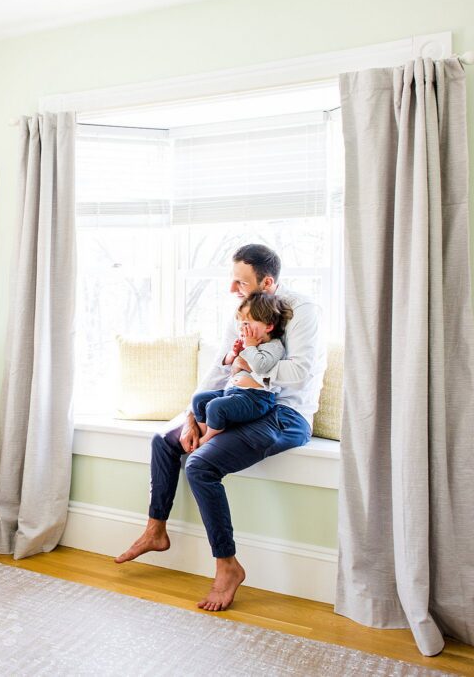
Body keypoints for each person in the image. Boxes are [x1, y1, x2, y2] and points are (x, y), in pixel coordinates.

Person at [115, 244, 325, 613]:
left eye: (240, 282)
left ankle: (227, 566)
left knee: (200, 465)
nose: (232, 289)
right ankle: (155, 530)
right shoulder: (244, 309)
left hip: (286, 414)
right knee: (164, 441)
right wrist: (192, 417)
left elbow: (299, 372)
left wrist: (248, 362)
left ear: (268, 282)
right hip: (242, 403)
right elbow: (218, 368)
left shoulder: (303, 311)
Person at [191, 291, 293, 447]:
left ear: (269, 326)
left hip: (256, 399)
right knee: (199, 399)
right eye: (240, 324)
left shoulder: (274, 346)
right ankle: (206, 431)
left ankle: (209, 437)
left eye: (247, 324)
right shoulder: (249, 347)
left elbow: (260, 366)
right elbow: (229, 364)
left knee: (215, 406)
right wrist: (233, 353)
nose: (242, 329)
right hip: (234, 392)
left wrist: (250, 346)